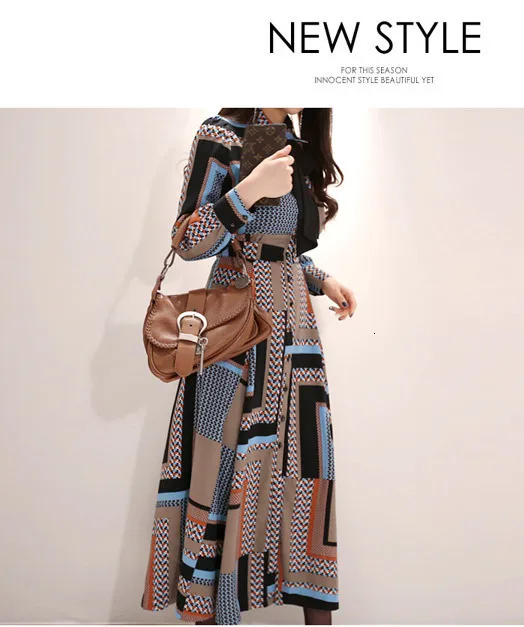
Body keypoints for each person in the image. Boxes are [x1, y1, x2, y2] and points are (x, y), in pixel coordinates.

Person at [140, 108, 354, 625]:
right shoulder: (220, 135)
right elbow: (187, 241)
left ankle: (308, 599)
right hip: (236, 332)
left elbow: (281, 246)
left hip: (295, 338)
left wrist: (321, 279)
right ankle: (207, 609)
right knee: (220, 466)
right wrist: (249, 190)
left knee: (307, 470)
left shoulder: (294, 142)